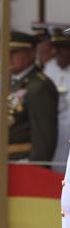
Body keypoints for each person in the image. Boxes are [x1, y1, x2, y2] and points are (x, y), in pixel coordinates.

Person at [0, 30, 58, 163]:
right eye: (5, 53)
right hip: (0, 162)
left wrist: (35, 167)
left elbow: (43, 137)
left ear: (31, 54)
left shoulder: (39, 86)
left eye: (14, 52)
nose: (8, 57)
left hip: (21, 164)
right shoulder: (13, 82)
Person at [44, 25, 70, 172]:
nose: (55, 52)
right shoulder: (50, 68)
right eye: (55, 47)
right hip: (57, 136)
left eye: (62, 48)